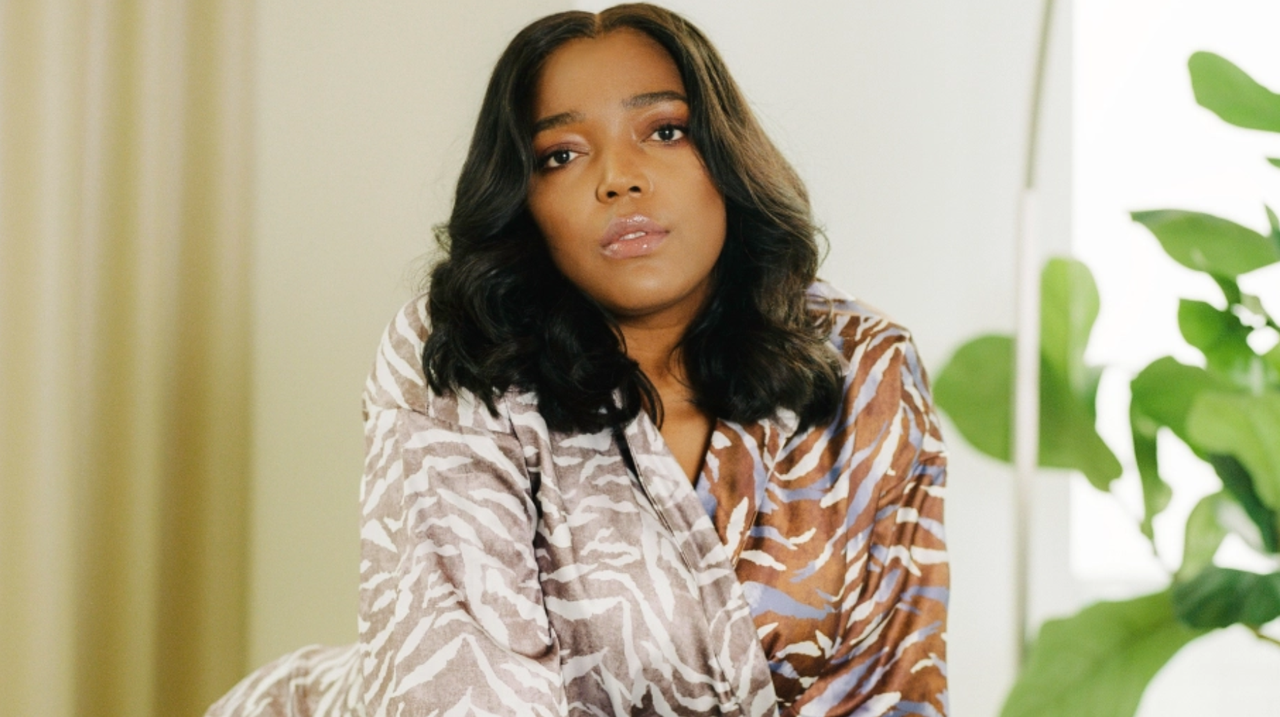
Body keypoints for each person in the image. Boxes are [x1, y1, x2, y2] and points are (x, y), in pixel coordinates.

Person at [208, 4, 948, 716]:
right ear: (524, 201)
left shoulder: (863, 364)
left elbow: (892, 687)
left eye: (665, 131)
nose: (618, 178)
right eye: (561, 155)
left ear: (727, 157)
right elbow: (462, 692)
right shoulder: (460, 353)